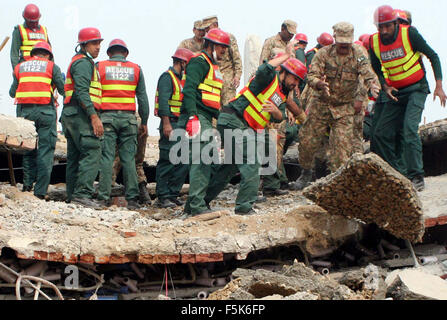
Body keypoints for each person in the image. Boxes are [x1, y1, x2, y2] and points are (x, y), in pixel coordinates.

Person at [203, 45, 306, 215]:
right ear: (285, 72)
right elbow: (264, 68)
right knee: (252, 161)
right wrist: (286, 56)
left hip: (241, 125)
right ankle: (244, 207)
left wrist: (276, 112)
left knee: (229, 167)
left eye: (298, 82)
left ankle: (200, 201)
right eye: (294, 79)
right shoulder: (269, 78)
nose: (295, 84)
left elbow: (279, 116)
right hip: (233, 119)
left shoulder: (281, 93)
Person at [291, 22, 380, 191]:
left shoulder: (359, 54)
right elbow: (311, 76)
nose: (344, 47)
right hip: (322, 104)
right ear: (335, 40)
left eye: (347, 44)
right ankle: (306, 173)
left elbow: (367, 74)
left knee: (342, 148)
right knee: (308, 141)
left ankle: (337, 181)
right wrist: (319, 84)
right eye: (341, 43)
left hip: (344, 108)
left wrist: (372, 85)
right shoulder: (324, 54)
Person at [369, 5, 446, 191]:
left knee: (409, 129)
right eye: (381, 27)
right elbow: (376, 66)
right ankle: (399, 173)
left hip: (417, 89)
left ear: (395, 23)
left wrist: (438, 85)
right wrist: (385, 85)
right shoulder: (374, 42)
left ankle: (416, 176)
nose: (385, 31)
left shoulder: (409, 34)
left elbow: (433, 56)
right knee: (380, 133)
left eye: (388, 26)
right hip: (396, 92)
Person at [178, 28, 229, 216]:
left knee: (208, 161)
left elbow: (211, 96)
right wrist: (192, 116)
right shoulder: (199, 62)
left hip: (206, 117)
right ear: (211, 45)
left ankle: (192, 206)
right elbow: (190, 90)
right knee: (202, 161)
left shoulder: (212, 66)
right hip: (198, 116)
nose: (224, 51)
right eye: (222, 47)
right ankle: (197, 207)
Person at [95, 39, 150, 210]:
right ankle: (132, 199)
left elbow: (93, 93)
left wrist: (94, 117)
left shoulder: (99, 67)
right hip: (128, 119)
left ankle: (103, 197)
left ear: (109, 53)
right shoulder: (135, 69)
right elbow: (142, 98)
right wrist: (144, 121)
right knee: (129, 159)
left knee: (106, 157)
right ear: (125, 53)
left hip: (107, 118)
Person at [9, 42, 64, 199]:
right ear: (47, 55)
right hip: (45, 112)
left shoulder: (20, 67)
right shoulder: (51, 66)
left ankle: (27, 186)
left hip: (25, 114)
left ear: (34, 53)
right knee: (45, 152)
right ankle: (39, 192)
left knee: (28, 149)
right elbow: (62, 89)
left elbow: (12, 93)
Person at [61, 27, 104, 209]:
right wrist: (94, 117)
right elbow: (82, 92)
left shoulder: (78, 62)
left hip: (71, 114)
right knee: (92, 151)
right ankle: (82, 195)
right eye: (94, 43)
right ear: (84, 45)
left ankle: (72, 196)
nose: (98, 47)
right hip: (81, 115)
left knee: (75, 156)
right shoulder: (84, 63)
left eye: (99, 43)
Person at [154, 48, 194, 208]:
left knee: (183, 160)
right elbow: (163, 102)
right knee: (168, 160)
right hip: (170, 123)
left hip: (181, 124)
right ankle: (163, 196)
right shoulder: (167, 77)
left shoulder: (182, 80)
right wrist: (166, 124)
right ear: (182, 62)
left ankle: (172, 193)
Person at [202, 15, 242, 106]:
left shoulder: (228, 37)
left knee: (227, 109)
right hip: (213, 81)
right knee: (214, 109)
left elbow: (236, 59)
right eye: (205, 29)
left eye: (208, 28)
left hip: (228, 80)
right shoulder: (207, 41)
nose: (206, 31)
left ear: (215, 25)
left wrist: (237, 76)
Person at [11, 4, 50, 69]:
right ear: (25, 19)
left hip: (43, 66)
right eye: (31, 22)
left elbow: (49, 50)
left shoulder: (44, 30)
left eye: (36, 21)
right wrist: (16, 70)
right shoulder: (19, 30)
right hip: (25, 66)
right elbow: (14, 53)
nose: (34, 24)